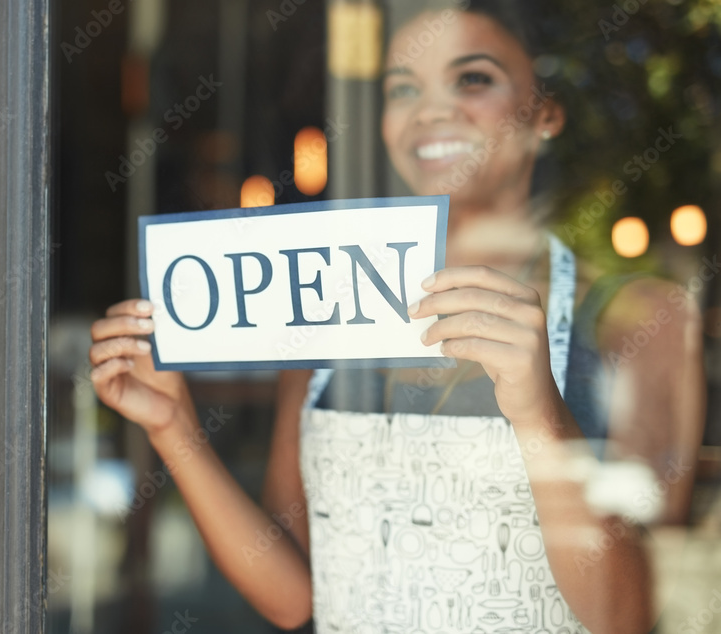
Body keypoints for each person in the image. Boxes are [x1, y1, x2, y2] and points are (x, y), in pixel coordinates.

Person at [88, 1, 704, 632]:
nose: (432, 108)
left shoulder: (636, 322)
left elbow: (631, 617)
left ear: (546, 112)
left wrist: (539, 411)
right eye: (402, 88)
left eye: (473, 78)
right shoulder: (329, 309)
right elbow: (295, 596)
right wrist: (173, 427)